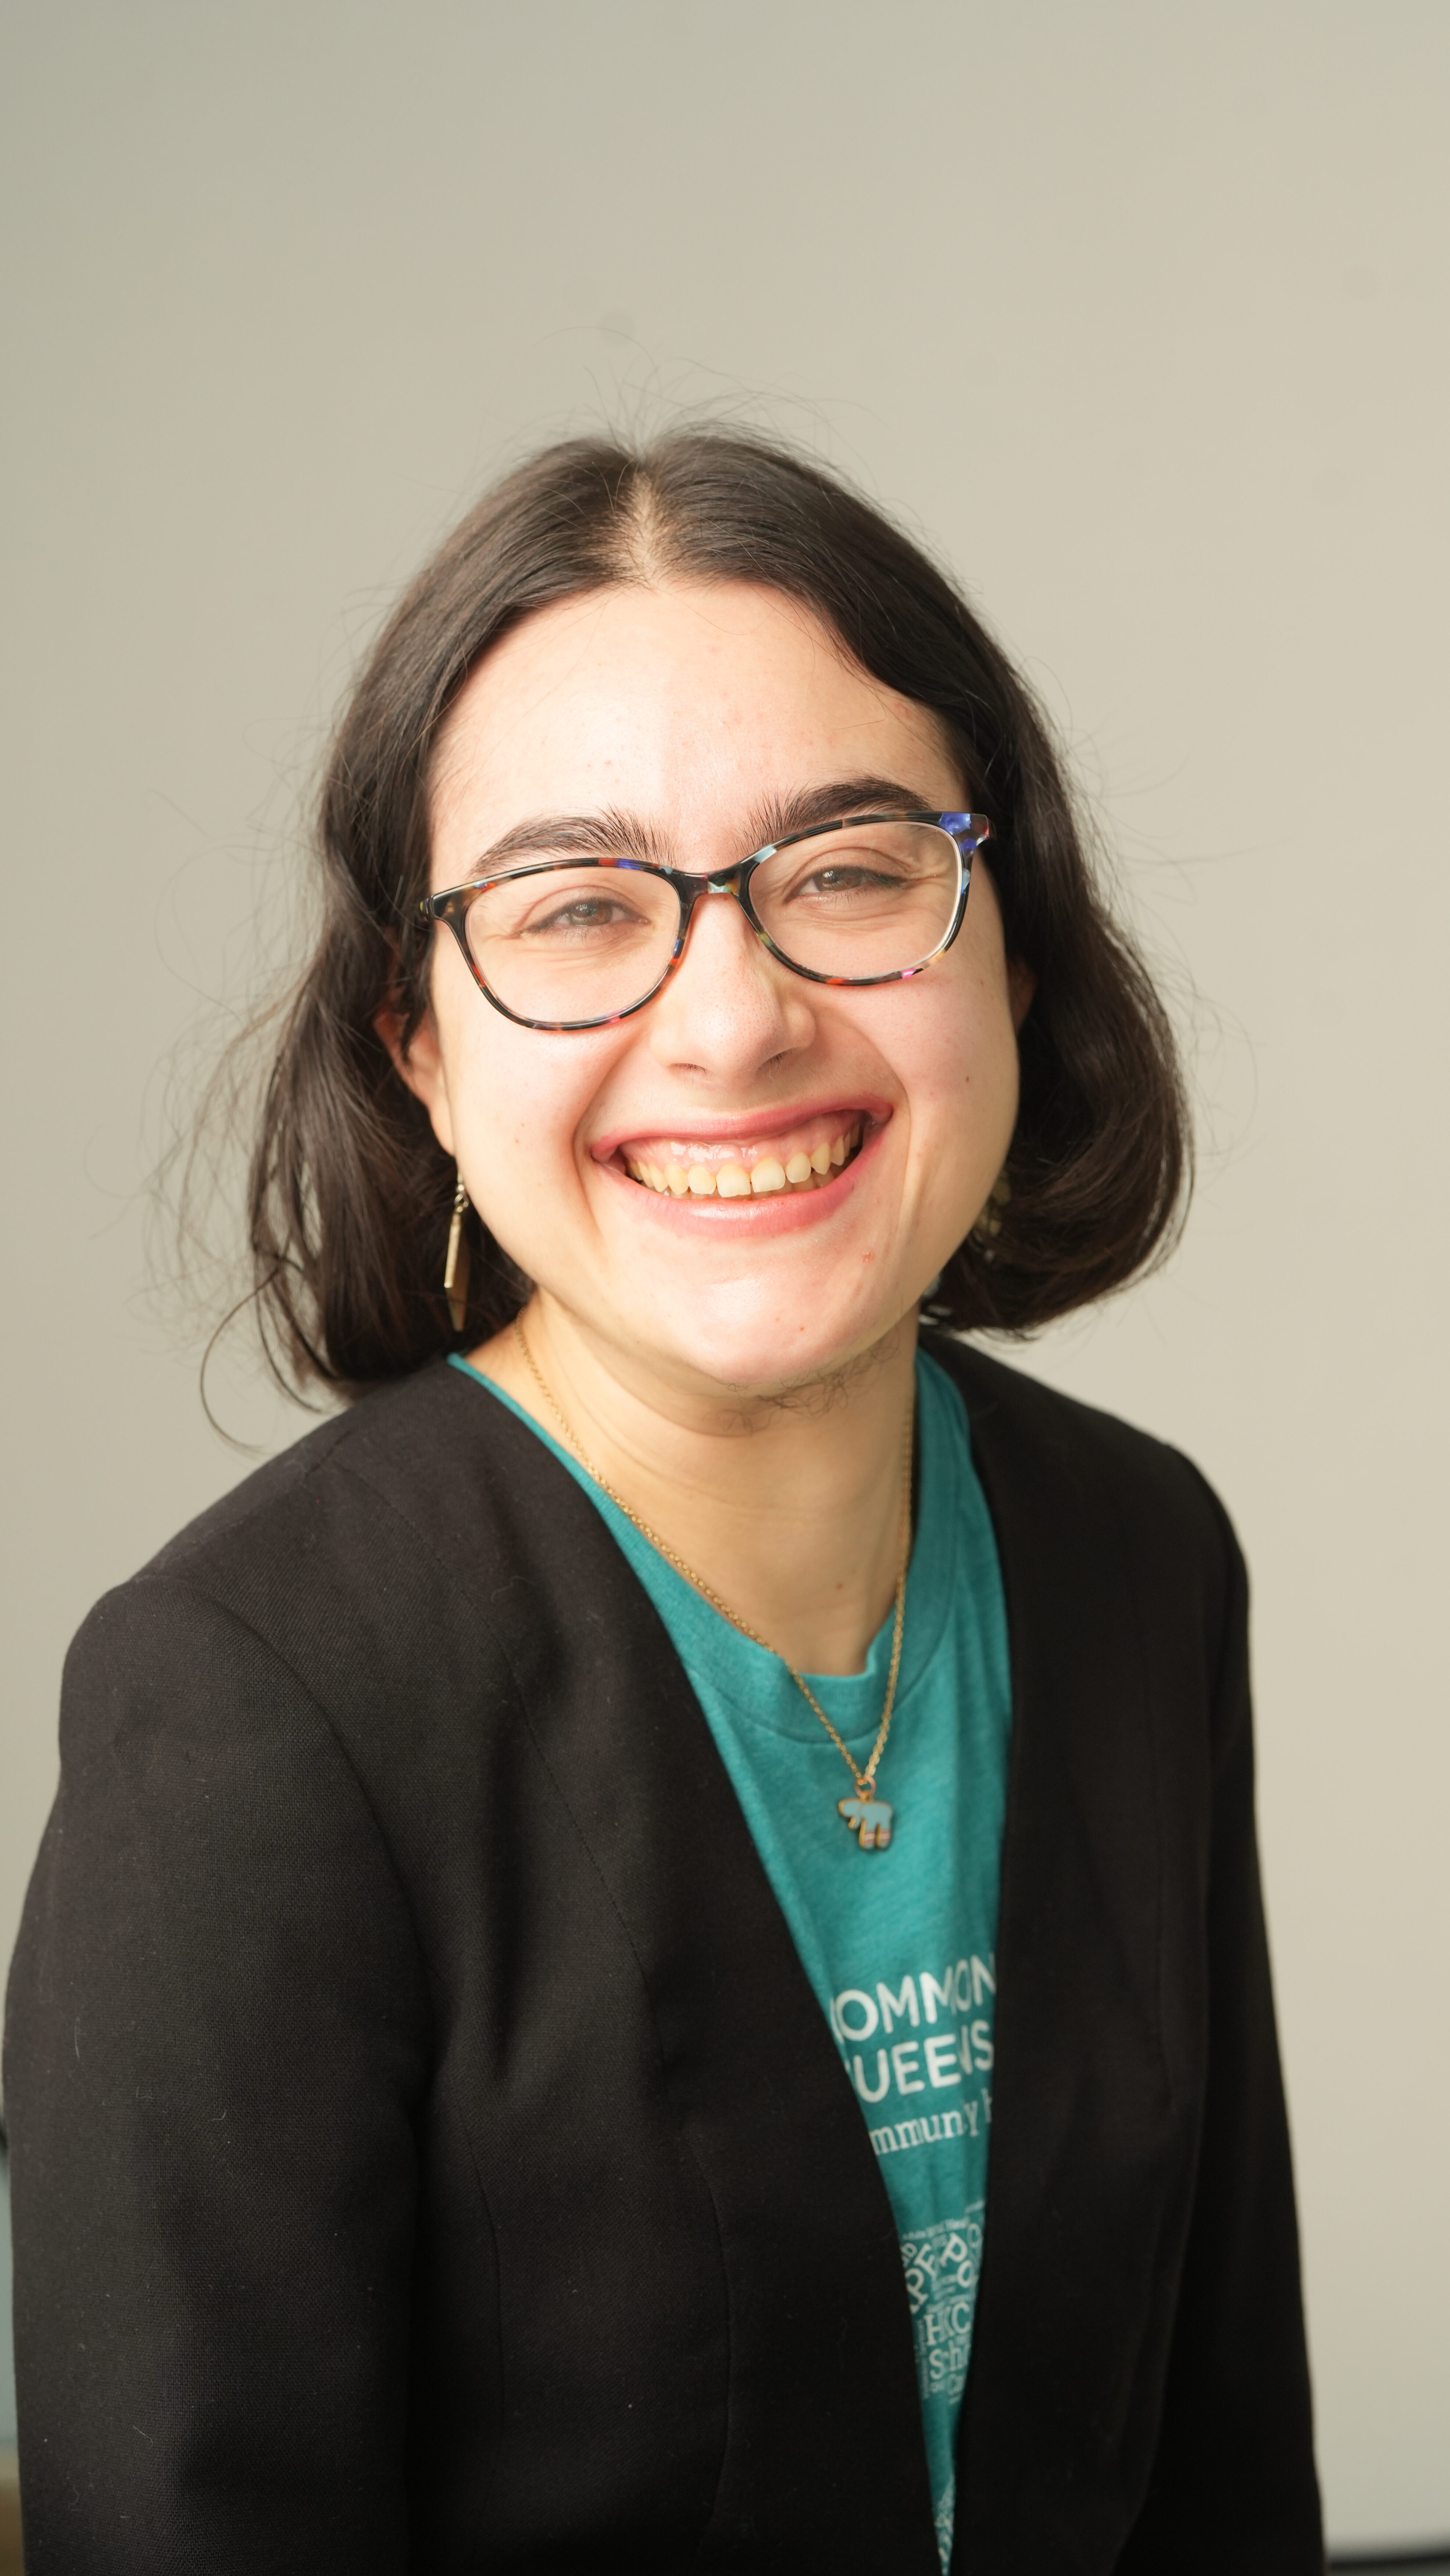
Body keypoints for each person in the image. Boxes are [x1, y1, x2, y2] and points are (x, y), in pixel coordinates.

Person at [3, 430, 1324, 2573]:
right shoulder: (247, 1712)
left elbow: (1218, 2482)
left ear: (1013, 946)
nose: (732, 1020)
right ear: (419, 1047)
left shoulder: (1136, 1557)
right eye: (578, 911)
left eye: (849, 871)